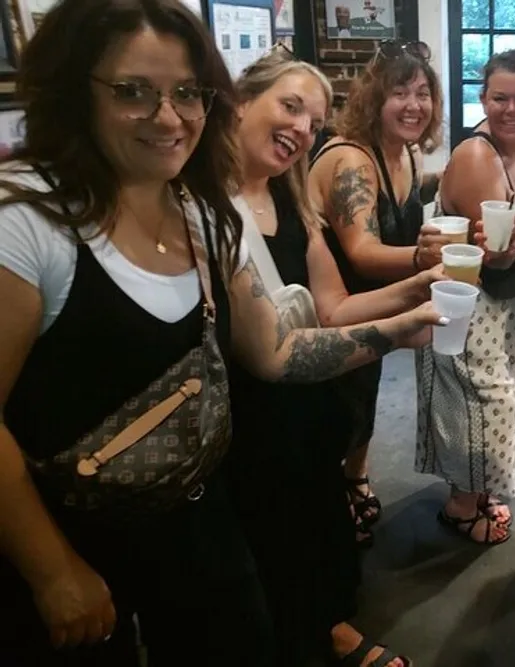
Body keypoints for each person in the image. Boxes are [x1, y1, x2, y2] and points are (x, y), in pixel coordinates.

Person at [0, 1, 440, 665]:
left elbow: (275, 350)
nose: (168, 115)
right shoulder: (30, 219)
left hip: (198, 516)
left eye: (186, 92)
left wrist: (404, 325)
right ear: (75, 89)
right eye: (132, 91)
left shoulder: (204, 215)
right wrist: (51, 568)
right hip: (74, 528)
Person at [229, 49, 441, 666]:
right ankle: (320, 636)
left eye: (314, 120)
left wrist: (423, 290)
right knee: (274, 542)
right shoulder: (207, 206)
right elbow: (269, 355)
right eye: (289, 107)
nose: (302, 128)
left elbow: (334, 307)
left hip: (307, 395)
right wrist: (403, 325)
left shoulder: (291, 194)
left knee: (319, 523)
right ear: (241, 102)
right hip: (247, 412)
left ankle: (329, 626)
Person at [308, 39, 444, 546]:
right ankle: (325, 501)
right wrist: (421, 260)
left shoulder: (402, 151)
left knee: (364, 397)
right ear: (373, 99)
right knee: (336, 411)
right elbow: (362, 249)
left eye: (423, 93)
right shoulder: (351, 160)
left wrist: (443, 181)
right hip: (333, 306)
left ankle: (354, 476)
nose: (413, 105)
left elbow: (408, 192)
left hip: (374, 304)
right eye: (399, 92)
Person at [414, 49, 515, 545]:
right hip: (474, 308)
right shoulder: (476, 155)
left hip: (513, 309)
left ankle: (480, 491)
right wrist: (505, 250)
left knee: (502, 398)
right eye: (499, 98)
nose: (512, 108)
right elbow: (490, 262)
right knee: (480, 401)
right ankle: (460, 504)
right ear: (482, 98)